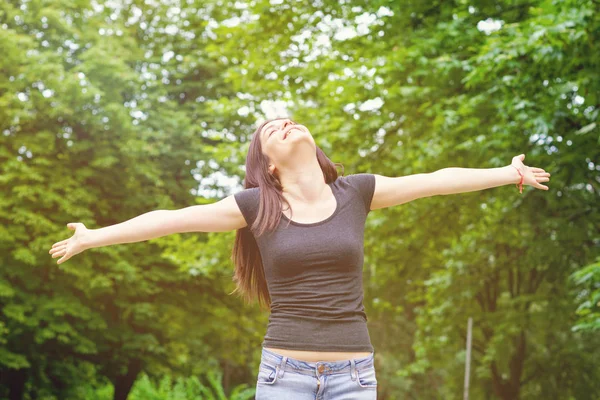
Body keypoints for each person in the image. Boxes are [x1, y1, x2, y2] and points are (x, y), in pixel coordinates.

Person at [48, 117, 551, 399]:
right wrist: (94, 237)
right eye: (272, 130)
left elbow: (436, 181)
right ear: (267, 163)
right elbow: (169, 218)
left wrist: (506, 173)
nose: (285, 124)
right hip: (282, 374)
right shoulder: (256, 207)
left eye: (289, 120)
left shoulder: (358, 192)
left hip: (354, 375)